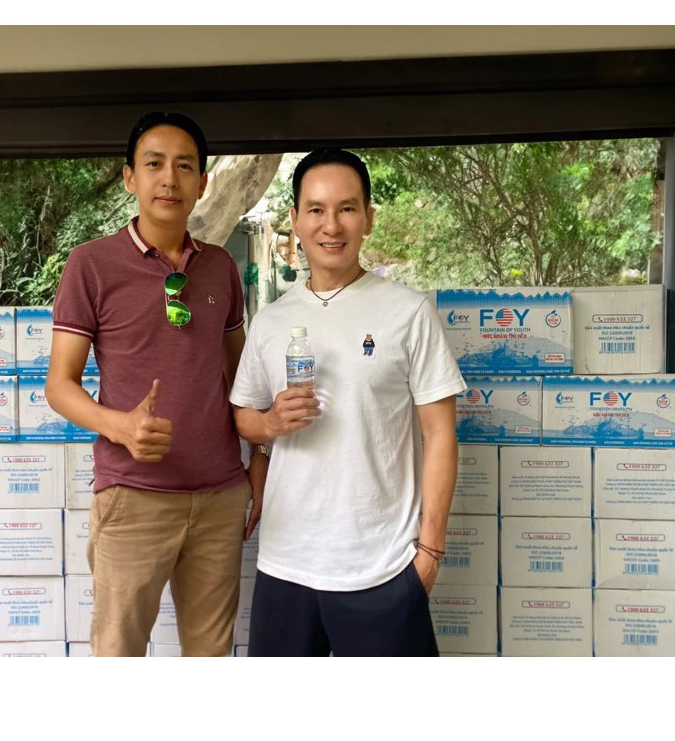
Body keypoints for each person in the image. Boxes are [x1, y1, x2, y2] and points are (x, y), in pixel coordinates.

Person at [45, 111, 268, 657]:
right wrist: (118, 426)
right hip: (133, 495)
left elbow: (242, 379)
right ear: (130, 177)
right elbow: (59, 385)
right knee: (118, 654)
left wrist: (260, 455)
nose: (170, 178)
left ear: (203, 182)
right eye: (154, 164)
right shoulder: (91, 264)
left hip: (219, 497)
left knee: (210, 657)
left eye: (184, 166)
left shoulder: (220, 268)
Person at [230, 148, 466, 656]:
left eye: (347, 208)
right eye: (316, 209)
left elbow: (440, 434)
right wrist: (270, 424)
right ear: (295, 220)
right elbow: (244, 416)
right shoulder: (271, 321)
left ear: (368, 219)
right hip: (286, 563)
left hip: (383, 565)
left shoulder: (408, 313)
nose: (331, 225)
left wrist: (429, 552)